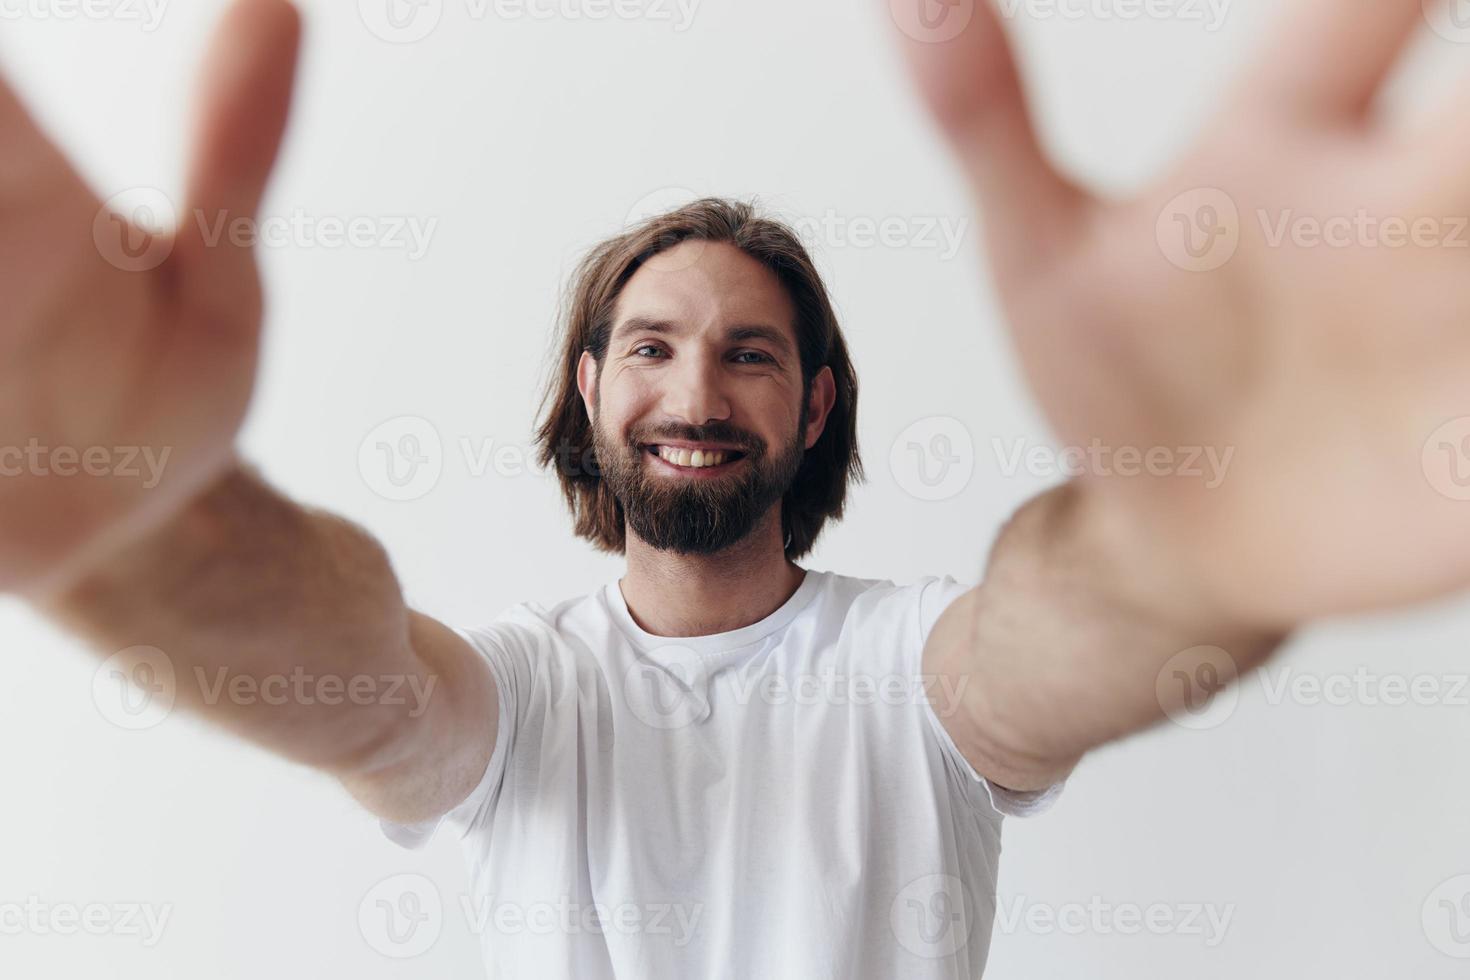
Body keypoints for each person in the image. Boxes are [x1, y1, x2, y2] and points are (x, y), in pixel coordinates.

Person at [6, 0, 1467, 976]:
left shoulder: (915, 669)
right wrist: (145, 534)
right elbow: (350, 674)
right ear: (587, 393)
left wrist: (1181, 547)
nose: (694, 396)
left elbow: (1051, 644)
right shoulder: (515, 701)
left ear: (814, 402)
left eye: (749, 355)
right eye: (648, 348)